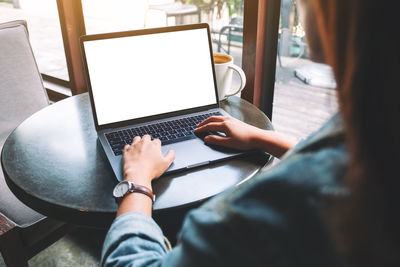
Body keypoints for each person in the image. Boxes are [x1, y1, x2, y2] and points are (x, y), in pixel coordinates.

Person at [101, 0, 400, 266]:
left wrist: (137, 181)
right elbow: (341, 153)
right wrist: (262, 137)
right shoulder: (379, 125)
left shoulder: (253, 220)